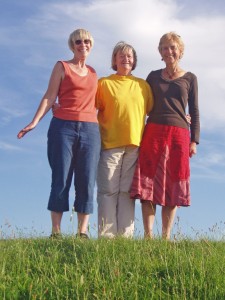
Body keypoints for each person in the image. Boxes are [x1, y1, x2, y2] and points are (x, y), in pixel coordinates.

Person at [17, 29, 100, 239]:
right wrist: (34, 122)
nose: (83, 44)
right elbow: (49, 96)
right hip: (63, 127)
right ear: (72, 45)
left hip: (90, 129)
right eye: (78, 41)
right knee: (61, 177)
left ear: (91, 45)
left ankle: (82, 232)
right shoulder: (62, 66)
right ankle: (56, 232)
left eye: (87, 41)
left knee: (87, 179)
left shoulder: (93, 73)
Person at [130, 32, 200, 240]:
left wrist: (194, 140)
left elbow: (194, 110)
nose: (168, 51)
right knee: (147, 184)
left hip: (179, 134)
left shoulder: (190, 78)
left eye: (172, 47)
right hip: (153, 132)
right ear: (160, 52)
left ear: (180, 51)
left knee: (173, 184)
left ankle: (165, 237)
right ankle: (148, 236)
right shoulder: (152, 76)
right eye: (164, 48)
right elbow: (141, 104)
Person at [96, 41, 154, 238]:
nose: (125, 58)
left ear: (134, 61)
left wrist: (183, 117)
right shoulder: (104, 83)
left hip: (134, 145)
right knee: (107, 190)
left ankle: (125, 238)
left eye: (129, 56)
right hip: (109, 144)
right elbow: (89, 108)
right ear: (114, 60)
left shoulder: (142, 85)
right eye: (121, 55)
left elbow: (154, 111)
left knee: (127, 192)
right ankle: (106, 237)